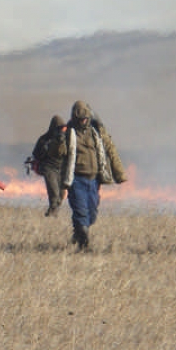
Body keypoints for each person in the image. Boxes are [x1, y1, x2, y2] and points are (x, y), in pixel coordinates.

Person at [59, 101, 128, 251]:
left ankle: (78, 232)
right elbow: (57, 154)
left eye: (86, 118)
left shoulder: (97, 132)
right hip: (76, 180)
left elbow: (111, 151)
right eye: (81, 118)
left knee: (92, 214)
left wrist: (119, 174)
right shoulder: (68, 134)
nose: (83, 120)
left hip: (94, 180)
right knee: (81, 212)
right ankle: (83, 246)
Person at [31, 115, 67, 216]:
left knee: (61, 194)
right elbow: (36, 154)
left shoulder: (66, 139)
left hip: (61, 169)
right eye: (58, 128)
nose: (61, 131)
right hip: (49, 168)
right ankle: (52, 214)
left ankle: (52, 212)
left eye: (62, 128)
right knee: (54, 193)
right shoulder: (44, 139)